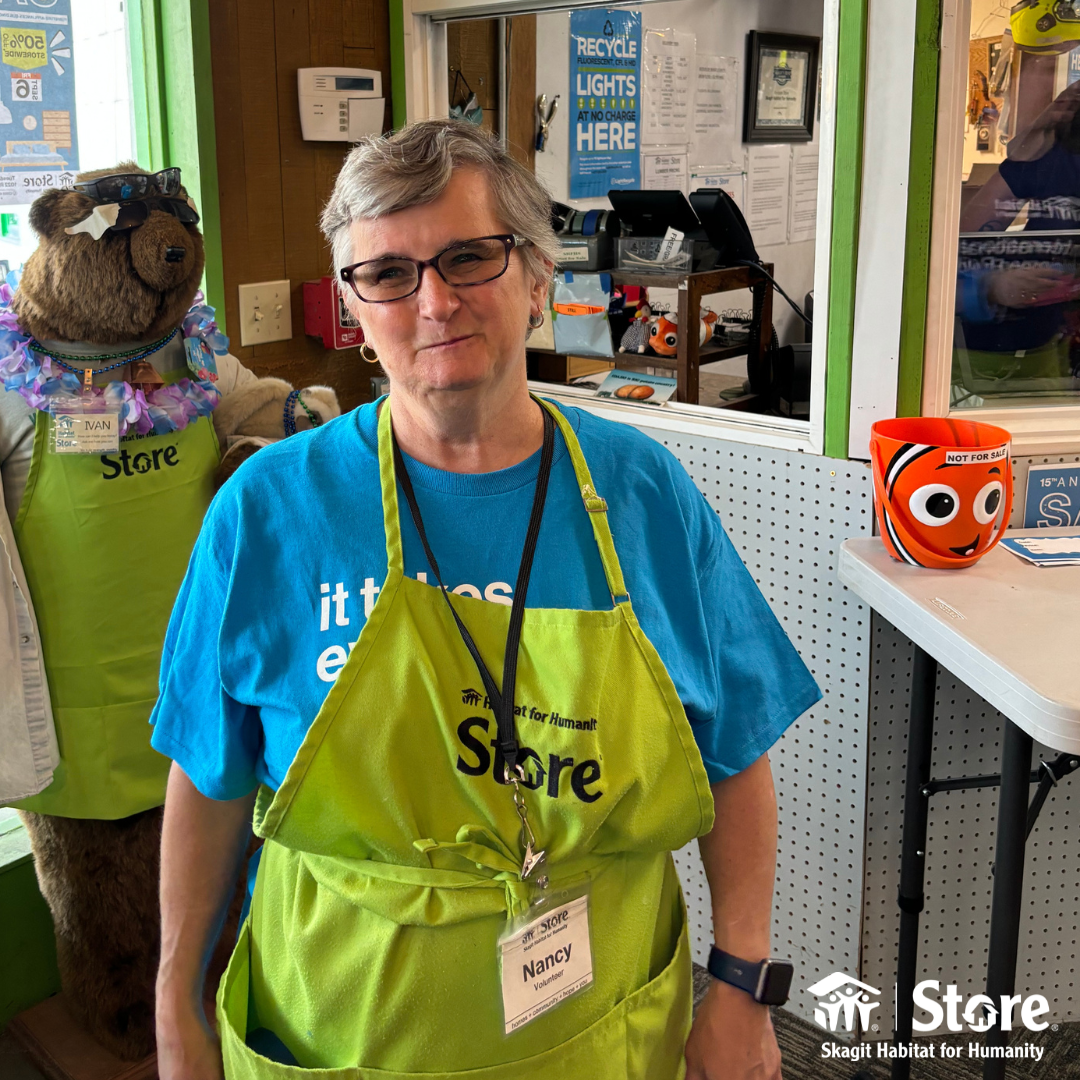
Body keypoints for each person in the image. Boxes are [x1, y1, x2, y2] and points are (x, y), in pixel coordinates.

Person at [152, 120, 820, 1080]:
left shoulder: (644, 496)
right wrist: (175, 1005)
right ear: (354, 308)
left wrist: (741, 986)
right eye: (387, 273)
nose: (433, 301)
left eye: (469, 257)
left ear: (539, 278)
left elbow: (734, 755)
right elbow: (208, 778)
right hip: (338, 1032)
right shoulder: (268, 511)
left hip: (601, 1030)